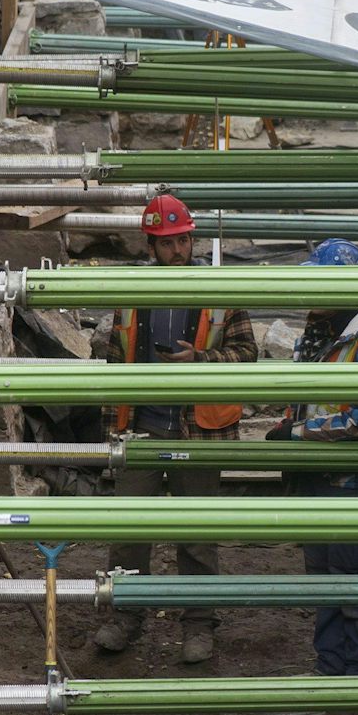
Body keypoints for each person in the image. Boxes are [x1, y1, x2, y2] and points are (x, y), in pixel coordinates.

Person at [91, 193, 258, 664]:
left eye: (182, 241)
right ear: (151, 246)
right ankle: (125, 615)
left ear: (193, 239)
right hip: (141, 431)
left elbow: (248, 356)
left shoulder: (220, 291)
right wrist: (112, 434)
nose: (176, 251)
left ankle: (199, 624)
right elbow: (113, 362)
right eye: (166, 244)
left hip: (199, 432)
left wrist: (200, 358)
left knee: (197, 533)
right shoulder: (132, 295)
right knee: (128, 530)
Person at [264, 238, 358, 676]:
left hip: (351, 483)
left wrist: (296, 434)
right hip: (317, 476)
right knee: (323, 579)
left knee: (352, 582)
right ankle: (330, 668)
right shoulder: (318, 336)